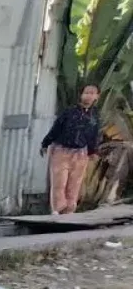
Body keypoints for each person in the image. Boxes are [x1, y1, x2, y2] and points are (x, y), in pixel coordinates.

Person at [41, 84, 101, 215]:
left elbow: (93, 135)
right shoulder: (69, 112)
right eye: (86, 92)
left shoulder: (95, 116)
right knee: (59, 182)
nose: (89, 95)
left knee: (75, 183)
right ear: (81, 94)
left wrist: (92, 152)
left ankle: (69, 210)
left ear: (97, 96)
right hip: (61, 150)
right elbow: (56, 129)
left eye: (92, 93)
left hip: (81, 153)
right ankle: (57, 209)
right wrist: (45, 143)